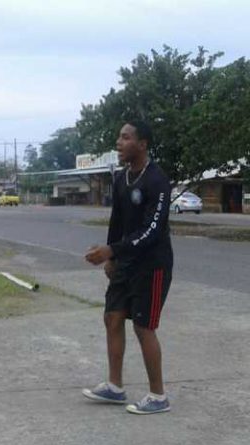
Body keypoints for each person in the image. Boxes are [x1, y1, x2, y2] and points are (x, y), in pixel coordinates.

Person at [83, 121, 174, 415]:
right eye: (119, 137)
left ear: (142, 144)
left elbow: (152, 230)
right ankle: (115, 387)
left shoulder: (157, 181)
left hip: (152, 264)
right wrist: (111, 257)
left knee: (143, 326)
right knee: (112, 317)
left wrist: (113, 251)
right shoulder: (121, 178)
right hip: (125, 261)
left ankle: (158, 396)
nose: (119, 143)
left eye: (125, 138)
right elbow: (118, 222)